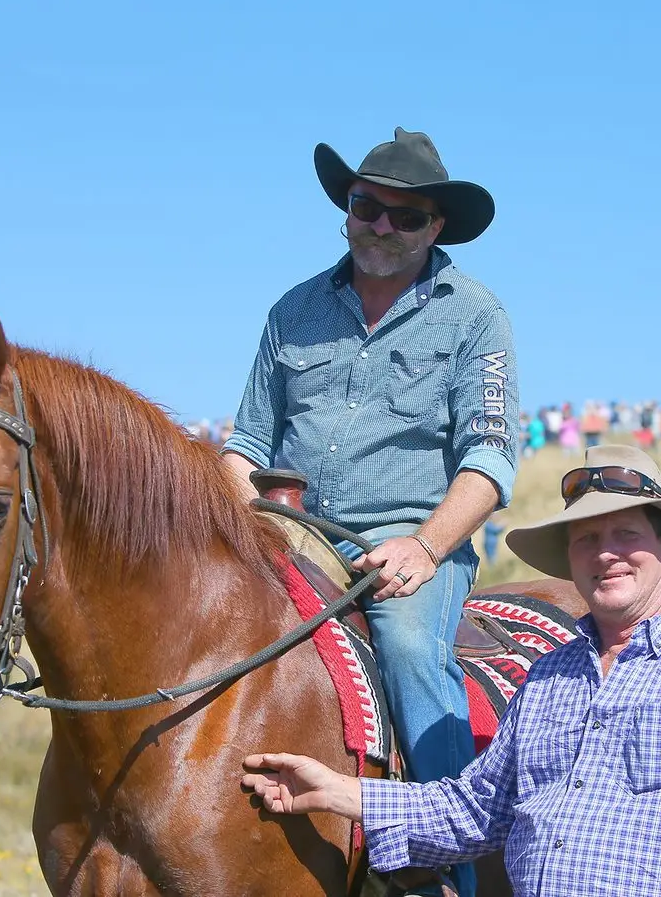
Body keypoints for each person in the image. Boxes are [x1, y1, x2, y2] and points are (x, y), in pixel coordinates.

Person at [242, 444, 661, 896]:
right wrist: (341, 792)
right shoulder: (547, 678)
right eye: (587, 538)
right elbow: (474, 812)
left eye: (626, 535)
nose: (605, 553)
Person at [221, 127, 518, 897]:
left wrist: (423, 547)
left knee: (412, 649)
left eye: (404, 217)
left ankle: (450, 865)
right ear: (346, 209)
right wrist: (236, 515)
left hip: (408, 542)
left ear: (435, 227)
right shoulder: (293, 309)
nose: (381, 227)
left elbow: (488, 459)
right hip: (287, 532)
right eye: (366, 207)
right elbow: (247, 441)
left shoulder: (474, 317)